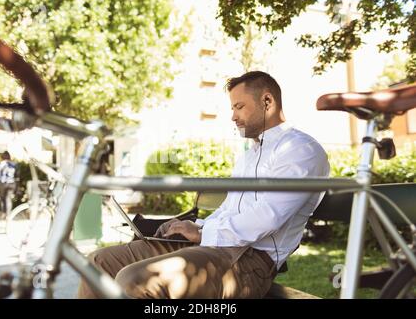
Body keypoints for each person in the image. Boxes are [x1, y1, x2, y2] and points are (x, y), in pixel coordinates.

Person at [77, 71, 330, 299]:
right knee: (98, 263)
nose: (233, 116)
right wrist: (196, 226)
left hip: (250, 261)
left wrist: (202, 233)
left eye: (239, 107)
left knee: (135, 281)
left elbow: (268, 217)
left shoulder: (300, 150)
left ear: (267, 101)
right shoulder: (250, 154)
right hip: (212, 245)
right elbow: (230, 210)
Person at [0, 151, 18, 219]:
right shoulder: (13, 164)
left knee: (3, 198)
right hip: (11, 183)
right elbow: (16, 175)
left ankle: (4, 213)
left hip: (3, 183)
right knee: (8, 199)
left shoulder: (1, 164)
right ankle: (9, 215)